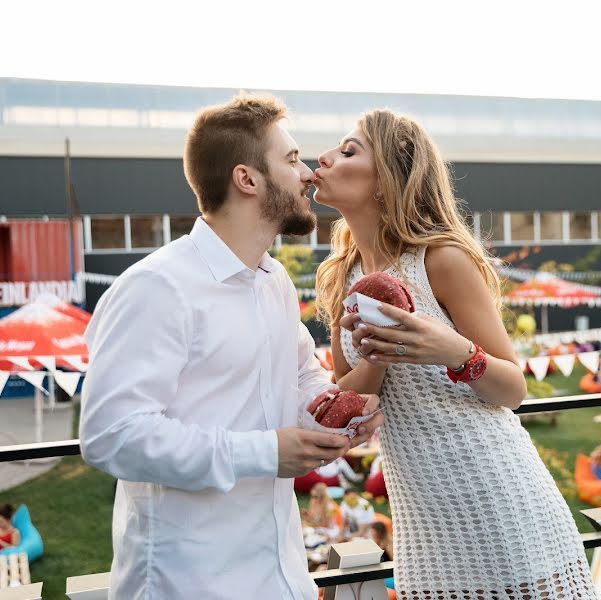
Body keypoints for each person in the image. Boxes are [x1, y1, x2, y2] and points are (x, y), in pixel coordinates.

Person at [80, 94, 383, 600]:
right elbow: (111, 434)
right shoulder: (158, 287)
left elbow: (302, 379)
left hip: (281, 574)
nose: (307, 173)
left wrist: (338, 417)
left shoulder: (275, 280)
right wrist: (266, 452)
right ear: (247, 179)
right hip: (188, 582)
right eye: (290, 160)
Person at [313, 110, 596, 599]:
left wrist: (452, 350)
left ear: (386, 180)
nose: (325, 157)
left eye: (349, 150)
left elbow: (513, 388)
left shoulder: (440, 259)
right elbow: (354, 405)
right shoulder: (343, 278)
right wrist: (378, 358)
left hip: (499, 496)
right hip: (424, 517)